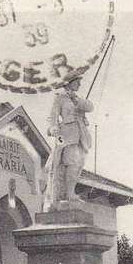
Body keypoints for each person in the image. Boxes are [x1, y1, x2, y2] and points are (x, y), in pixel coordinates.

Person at [42, 70, 94, 211]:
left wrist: (76, 100)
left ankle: (70, 192)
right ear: (70, 83)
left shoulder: (78, 99)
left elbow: (90, 107)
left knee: (77, 164)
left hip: (80, 136)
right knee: (67, 162)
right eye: (77, 82)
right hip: (66, 136)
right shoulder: (60, 98)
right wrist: (52, 128)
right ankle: (67, 194)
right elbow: (52, 116)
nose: (79, 84)